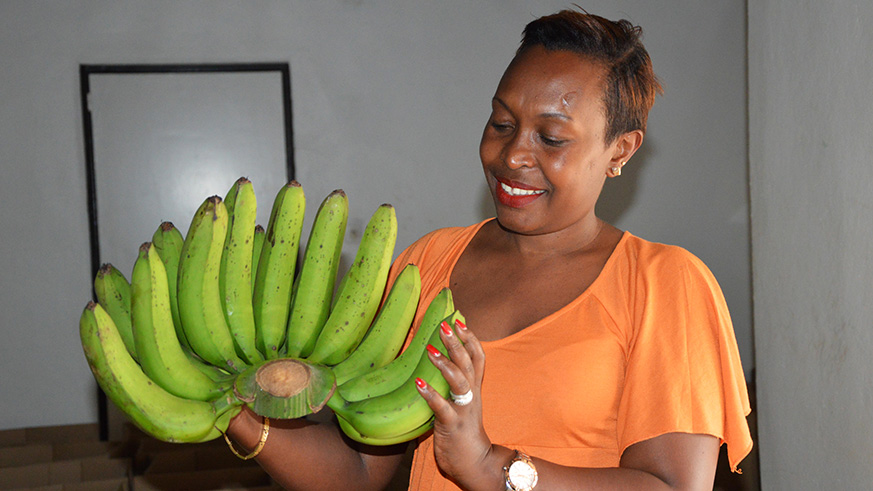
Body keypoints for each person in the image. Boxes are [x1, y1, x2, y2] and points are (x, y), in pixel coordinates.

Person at [226, 8, 753, 490]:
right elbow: (361, 471)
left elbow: (673, 486)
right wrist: (237, 416)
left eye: (551, 137)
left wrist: (487, 465)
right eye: (502, 123)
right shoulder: (427, 264)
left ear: (620, 149)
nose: (512, 154)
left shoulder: (665, 284)